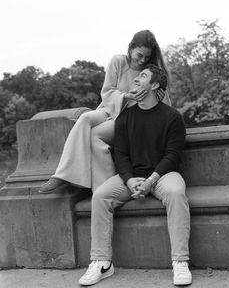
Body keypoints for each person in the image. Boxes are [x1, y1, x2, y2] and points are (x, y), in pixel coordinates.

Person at [78, 64, 192, 286]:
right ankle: (102, 262)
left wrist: (150, 181)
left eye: (143, 76)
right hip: (130, 177)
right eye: (138, 76)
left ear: (155, 84)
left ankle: (180, 262)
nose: (137, 79)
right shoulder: (125, 117)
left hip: (162, 175)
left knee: (176, 193)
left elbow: (172, 156)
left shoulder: (172, 117)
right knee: (100, 196)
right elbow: (120, 154)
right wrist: (129, 180)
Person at [39, 30, 171, 194]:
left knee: (95, 136)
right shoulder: (118, 61)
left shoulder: (150, 72)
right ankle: (62, 175)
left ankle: (105, 189)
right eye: (139, 55)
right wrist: (126, 96)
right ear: (130, 49)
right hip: (109, 108)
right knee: (85, 117)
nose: (142, 60)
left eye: (146, 57)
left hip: (126, 118)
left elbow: (161, 100)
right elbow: (107, 91)